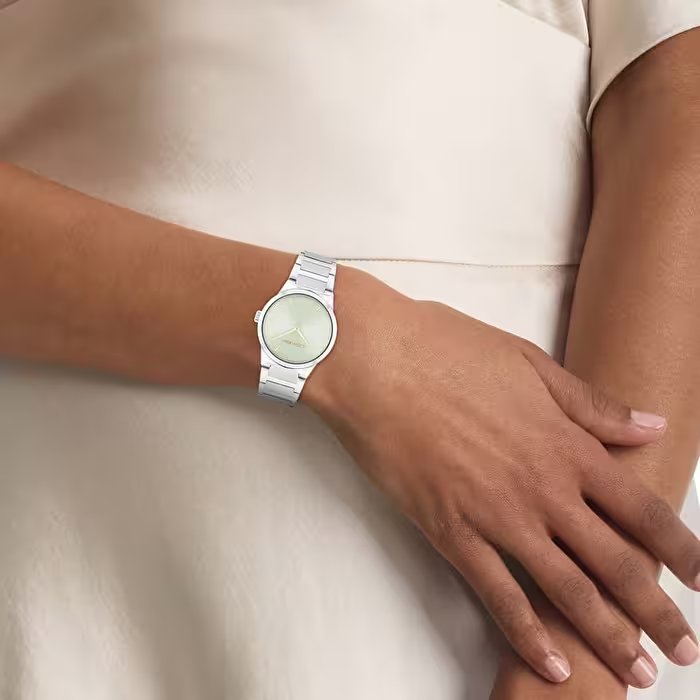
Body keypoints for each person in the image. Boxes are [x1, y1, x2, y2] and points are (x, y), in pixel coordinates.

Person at [0, 1, 699, 698]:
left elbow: (677, 107)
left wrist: (579, 654)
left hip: (492, 578)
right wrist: (353, 345)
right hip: (66, 553)